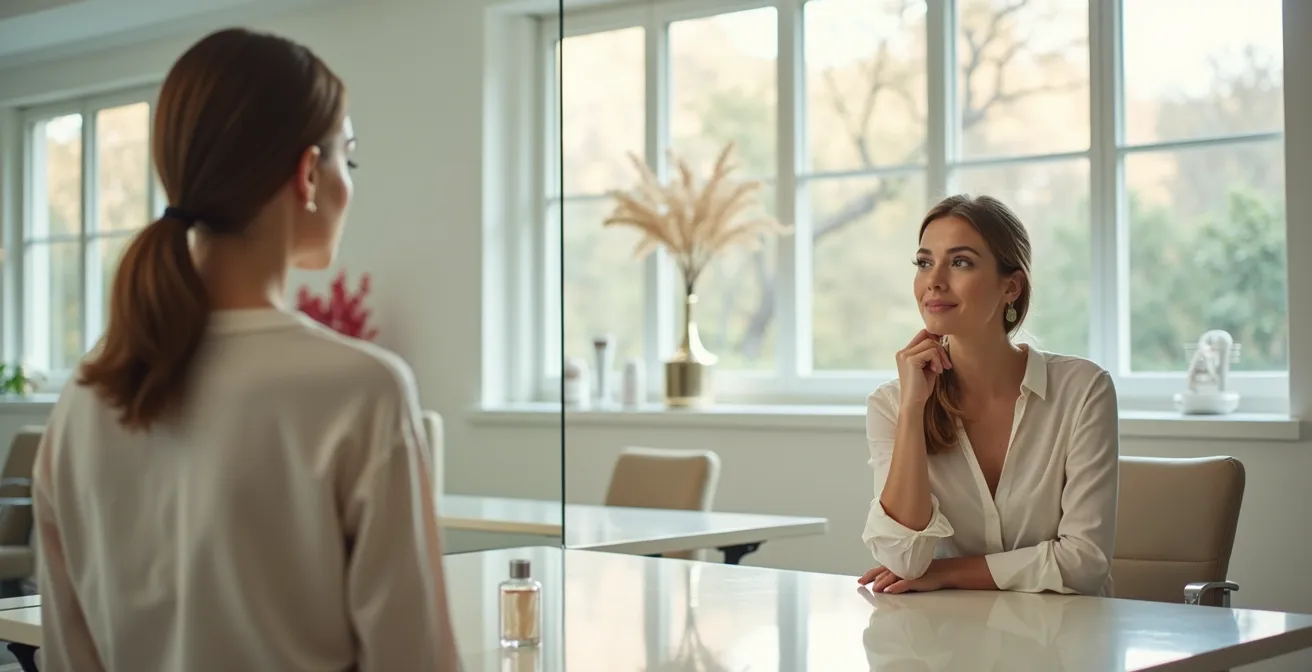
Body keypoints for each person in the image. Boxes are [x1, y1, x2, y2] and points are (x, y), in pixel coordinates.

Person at [32, 28, 461, 671]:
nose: (351, 181)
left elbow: (69, 657)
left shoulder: (84, 399)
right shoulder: (361, 391)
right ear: (308, 173)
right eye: (350, 157)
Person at [856, 194, 1119, 597]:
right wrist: (912, 411)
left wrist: (947, 572)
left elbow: (1084, 564)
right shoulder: (892, 403)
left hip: (1063, 646)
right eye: (924, 262)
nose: (934, 280)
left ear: (1010, 286)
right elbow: (903, 561)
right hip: (943, 646)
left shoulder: (1083, 390)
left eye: (960, 262)